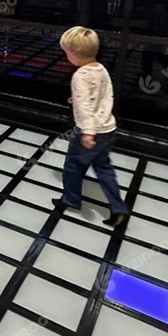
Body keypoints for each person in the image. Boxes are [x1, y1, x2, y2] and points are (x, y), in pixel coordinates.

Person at [52, 26, 129, 227]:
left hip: (89, 132)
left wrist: (87, 132)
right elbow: (102, 96)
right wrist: (76, 100)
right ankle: (118, 208)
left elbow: (85, 108)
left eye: (67, 53)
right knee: (104, 169)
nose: (66, 56)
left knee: (72, 166)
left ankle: (71, 199)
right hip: (108, 129)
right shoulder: (100, 69)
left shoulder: (80, 75)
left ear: (75, 54)